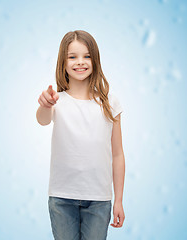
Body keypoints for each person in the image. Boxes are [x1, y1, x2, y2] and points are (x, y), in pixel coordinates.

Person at [36, 30, 125, 240]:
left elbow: (118, 155)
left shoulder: (109, 103)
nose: (80, 62)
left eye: (86, 56)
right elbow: (42, 119)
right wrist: (45, 103)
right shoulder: (56, 100)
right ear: (63, 62)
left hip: (99, 199)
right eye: (72, 56)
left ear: (95, 59)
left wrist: (118, 200)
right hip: (62, 198)